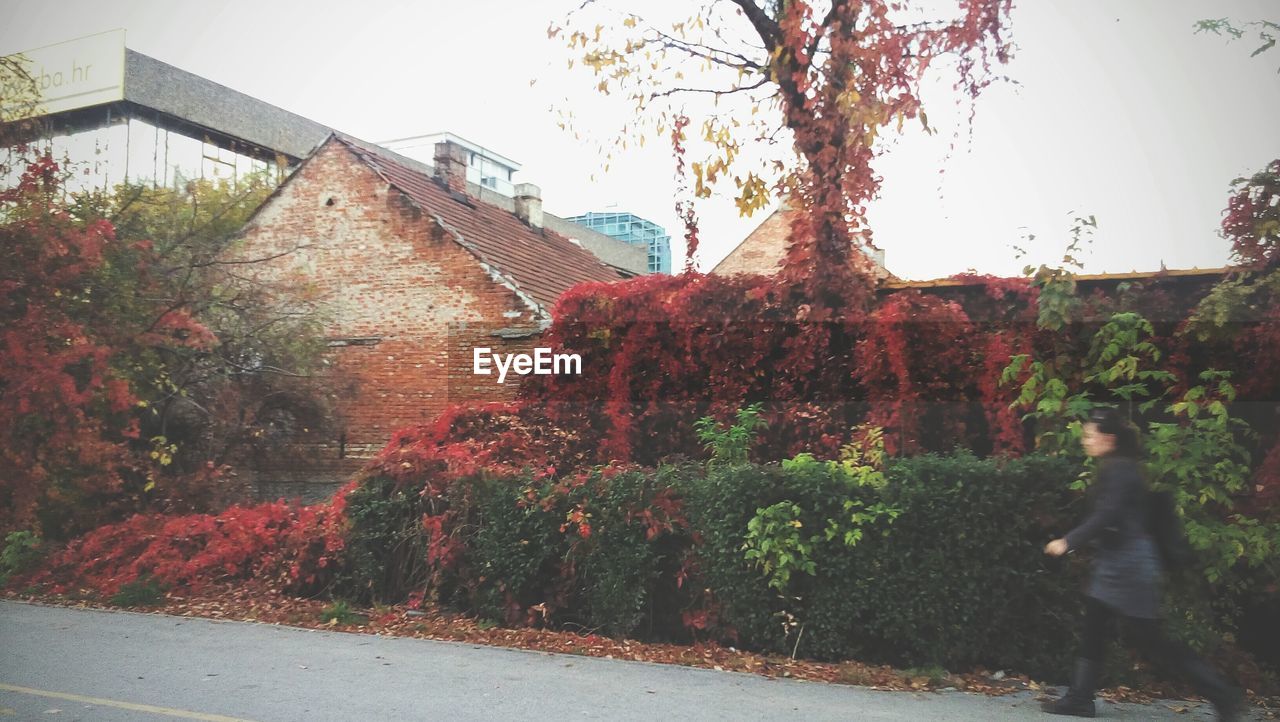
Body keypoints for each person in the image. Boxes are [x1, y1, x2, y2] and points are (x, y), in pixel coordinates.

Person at [1041, 407, 1245, 720]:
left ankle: (1223, 695)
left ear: (1108, 438)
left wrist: (1068, 542)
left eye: (1089, 435)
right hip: (1118, 561)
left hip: (1129, 565)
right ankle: (1080, 698)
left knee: (1152, 639)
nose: (1085, 441)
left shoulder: (1120, 469)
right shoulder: (1116, 465)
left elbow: (1107, 514)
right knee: (1094, 626)